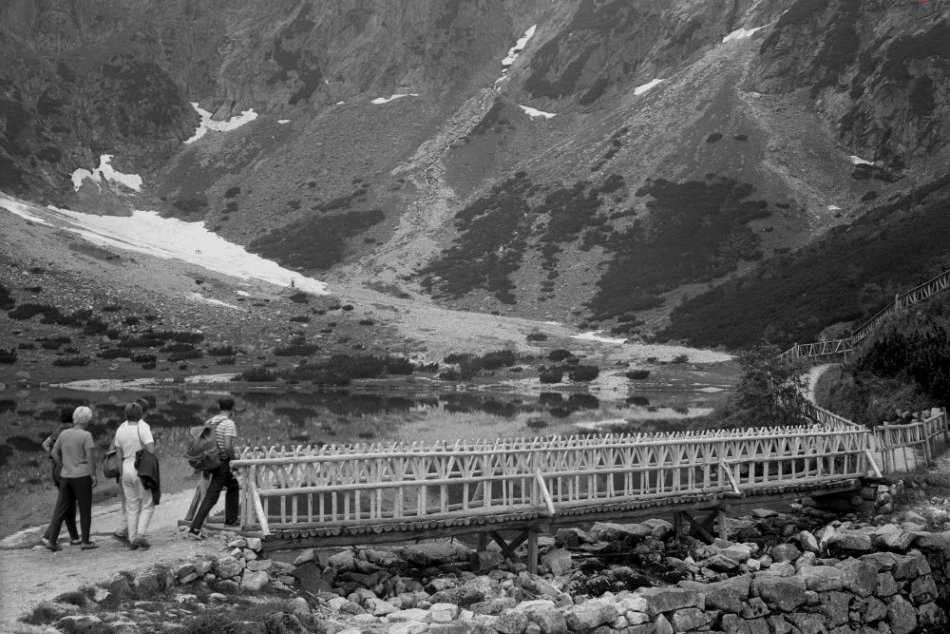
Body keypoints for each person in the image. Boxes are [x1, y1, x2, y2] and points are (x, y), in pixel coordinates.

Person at [43, 406, 98, 551]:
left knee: (61, 509)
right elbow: (90, 458)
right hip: (82, 476)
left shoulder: (64, 434)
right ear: (86, 420)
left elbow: (53, 452)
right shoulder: (86, 436)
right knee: (85, 509)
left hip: (65, 476)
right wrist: (93, 475)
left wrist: (63, 465)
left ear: (74, 418)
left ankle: (52, 542)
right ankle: (85, 541)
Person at [186, 397, 239, 539]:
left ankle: (230, 520)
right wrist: (234, 460)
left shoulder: (210, 421)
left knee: (233, 485)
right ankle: (194, 529)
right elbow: (227, 446)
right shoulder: (228, 423)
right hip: (222, 463)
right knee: (211, 497)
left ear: (219, 407)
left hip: (211, 461)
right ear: (232, 408)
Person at [113, 402, 156, 549]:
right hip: (140, 468)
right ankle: (140, 534)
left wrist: (121, 474)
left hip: (126, 467)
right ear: (141, 414)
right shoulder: (143, 427)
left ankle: (132, 539)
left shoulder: (120, 429)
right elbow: (151, 449)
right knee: (148, 503)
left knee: (131, 506)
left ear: (126, 415)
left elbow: (118, 455)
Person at [41, 409, 80, 545]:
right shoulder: (72, 430)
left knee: (68, 503)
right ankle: (48, 536)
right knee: (65, 504)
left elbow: (45, 444)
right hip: (66, 472)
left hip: (56, 472)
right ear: (74, 418)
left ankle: (75, 537)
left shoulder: (58, 430)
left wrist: (54, 456)